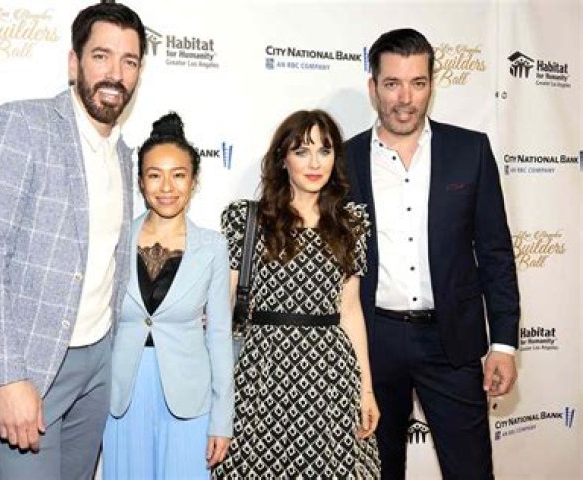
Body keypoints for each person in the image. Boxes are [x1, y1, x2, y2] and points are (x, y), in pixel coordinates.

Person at [0, 3, 146, 479]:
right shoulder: (21, 125)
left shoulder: (122, 154)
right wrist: (8, 378)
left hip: (96, 366)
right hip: (30, 367)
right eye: (101, 56)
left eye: (129, 61)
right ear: (73, 62)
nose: (115, 73)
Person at [344, 28, 520, 479]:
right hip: (374, 343)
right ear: (373, 87)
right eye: (392, 83)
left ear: (431, 85)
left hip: (452, 341)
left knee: (471, 471)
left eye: (417, 83)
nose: (405, 98)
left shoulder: (470, 151)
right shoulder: (343, 161)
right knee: (377, 471)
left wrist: (503, 343)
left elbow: (496, 253)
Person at [213, 110, 381, 478]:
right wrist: (216, 393)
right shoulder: (247, 219)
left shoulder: (351, 223)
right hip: (260, 375)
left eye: (325, 150)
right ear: (282, 159)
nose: (315, 163)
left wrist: (366, 390)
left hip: (330, 377)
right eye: (302, 151)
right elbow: (224, 310)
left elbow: (350, 311)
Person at [102, 112, 234, 479]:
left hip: (189, 395)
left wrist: (222, 418)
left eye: (178, 175)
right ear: (140, 182)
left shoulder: (213, 247)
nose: (166, 187)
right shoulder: (115, 239)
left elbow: (219, 336)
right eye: (154, 175)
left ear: (193, 181)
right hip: (123, 393)